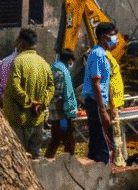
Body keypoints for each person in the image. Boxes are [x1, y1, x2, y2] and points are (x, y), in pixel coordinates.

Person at [2, 28, 55, 158]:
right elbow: (51, 87)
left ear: (22, 43)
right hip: (37, 120)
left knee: (19, 157)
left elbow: (14, 87)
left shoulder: (18, 61)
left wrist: (30, 103)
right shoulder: (44, 63)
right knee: (35, 158)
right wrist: (42, 103)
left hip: (19, 120)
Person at [84, 22, 117, 163]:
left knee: (96, 142)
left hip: (101, 102)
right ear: (104, 37)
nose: (115, 38)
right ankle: (105, 168)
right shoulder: (97, 54)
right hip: (96, 102)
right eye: (113, 35)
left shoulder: (104, 55)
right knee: (106, 144)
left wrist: (112, 105)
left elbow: (106, 82)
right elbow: (96, 83)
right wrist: (103, 110)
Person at [45, 49, 78, 158]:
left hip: (57, 114)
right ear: (69, 60)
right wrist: (62, 116)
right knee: (70, 144)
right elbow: (57, 96)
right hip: (61, 114)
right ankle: (69, 163)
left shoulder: (56, 69)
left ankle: (47, 162)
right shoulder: (60, 73)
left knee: (55, 141)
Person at [106, 47, 126, 166]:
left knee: (116, 134)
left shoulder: (109, 55)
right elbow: (107, 81)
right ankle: (115, 162)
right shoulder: (106, 57)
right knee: (114, 134)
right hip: (112, 104)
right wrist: (112, 105)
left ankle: (117, 159)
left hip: (115, 102)